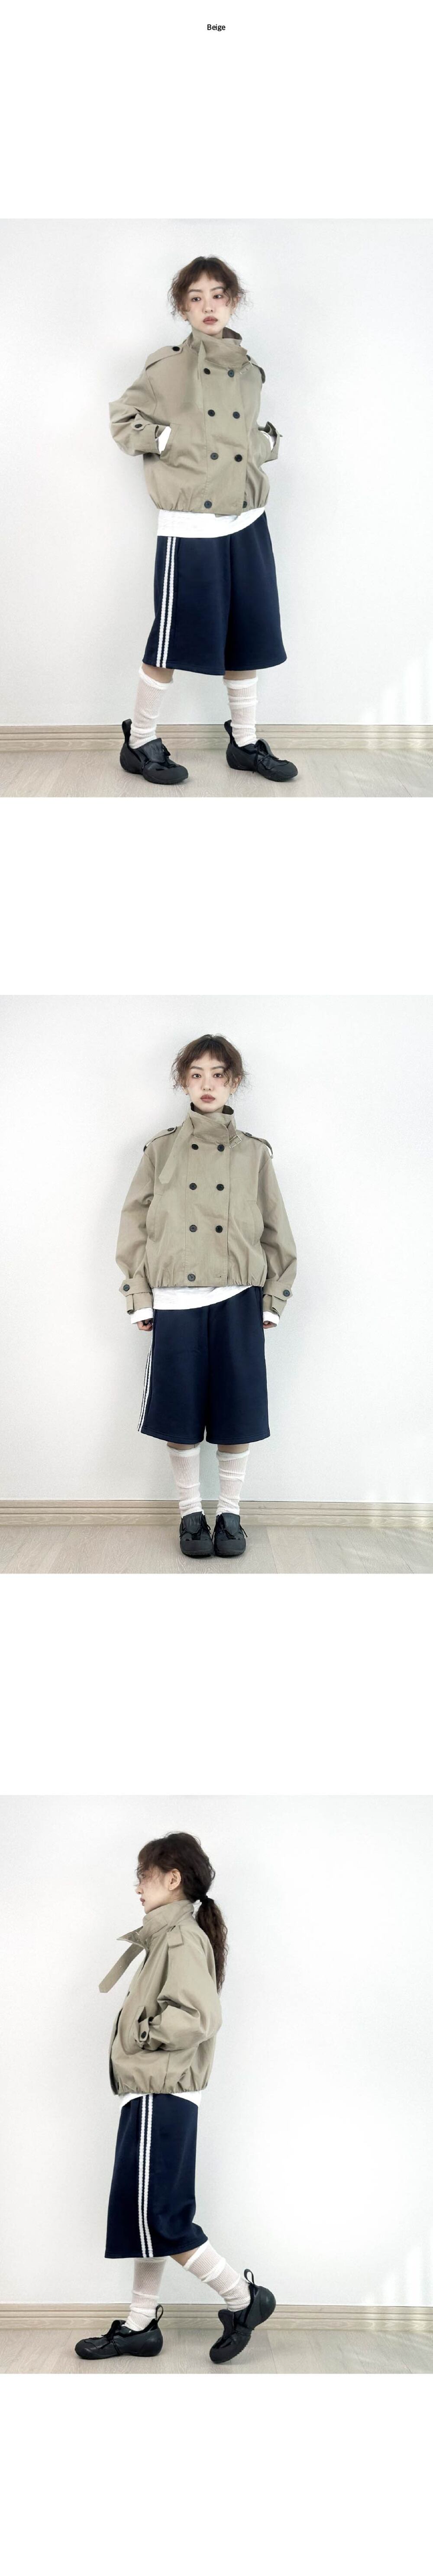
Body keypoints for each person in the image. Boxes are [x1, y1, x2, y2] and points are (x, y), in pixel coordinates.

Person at [75, 1833, 276, 2367]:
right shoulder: (169, 1936)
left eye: (144, 1874)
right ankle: (140, 2325)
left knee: (160, 2216)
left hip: (159, 2093)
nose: (137, 1885)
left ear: (173, 1878)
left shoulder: (181, 1937)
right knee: (148, 2215)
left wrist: (140, 2036)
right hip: (155, 2094)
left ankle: (242, 2298)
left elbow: (198, 2016)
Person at [110, 254, 298, 789]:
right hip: (192, 523)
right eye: (195, 297)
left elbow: (245, 433)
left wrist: (263, 447)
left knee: (248, 632)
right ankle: (140, 739)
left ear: (232, 301)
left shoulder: (250, 369)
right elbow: (123, 419)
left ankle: (245, 742)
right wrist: (168, 439)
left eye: (217, 295)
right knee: (171, 637)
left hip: (248, 518)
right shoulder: (166, 368)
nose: (208, 305)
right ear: (183, 308)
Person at [116, 1032, 297, 1558]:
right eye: (196, 1074)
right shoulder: (160, 1150)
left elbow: (276, 1229)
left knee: (238, 1409)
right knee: (181, 1411)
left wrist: (273, 1299)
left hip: (239, 1295)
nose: (207, 1084)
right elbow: (134, 1224)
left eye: (218, 1074)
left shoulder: (255, 1153)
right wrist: (139, 1294)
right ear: (183, 1082)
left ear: (234, 1081)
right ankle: (190, 1513)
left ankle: (231, 1513)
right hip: (175, 1297)